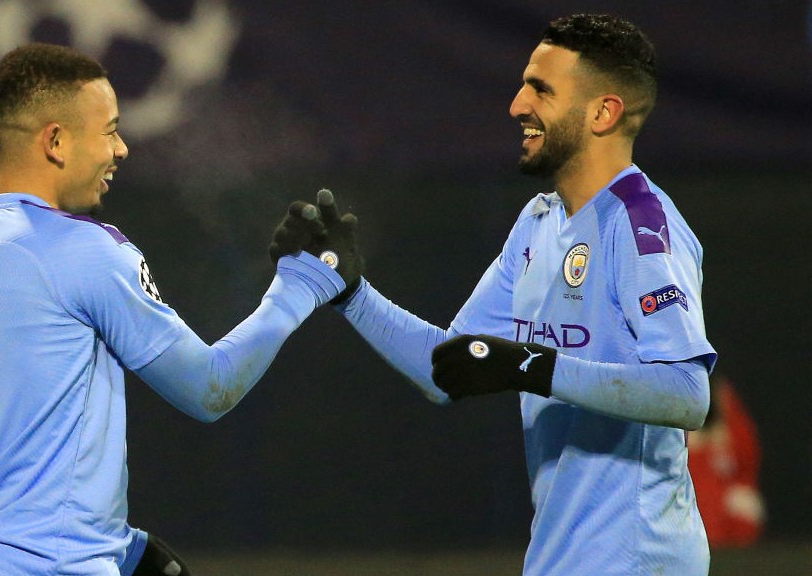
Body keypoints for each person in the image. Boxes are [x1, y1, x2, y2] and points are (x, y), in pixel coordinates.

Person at [272, 13, 716, 576]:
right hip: (559, 559)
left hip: (638, 561)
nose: (516, 105)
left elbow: (686, 394)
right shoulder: (537, 223)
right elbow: (451, 367)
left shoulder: (641, 225)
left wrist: (531, 367)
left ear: (603, 112)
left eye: (541, 89)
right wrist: (350, 292)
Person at [0, 43, 353, 576]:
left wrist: (98, 534)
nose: (120, 149)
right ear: (55, 140)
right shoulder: (83, 250)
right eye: (109, 129)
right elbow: (209, 388)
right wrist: (301, 286)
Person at [688, 374, 765, 547]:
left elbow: (748, 459)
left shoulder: (722, 400)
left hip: (724, 513)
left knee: (744, 503)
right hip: (686, 514)